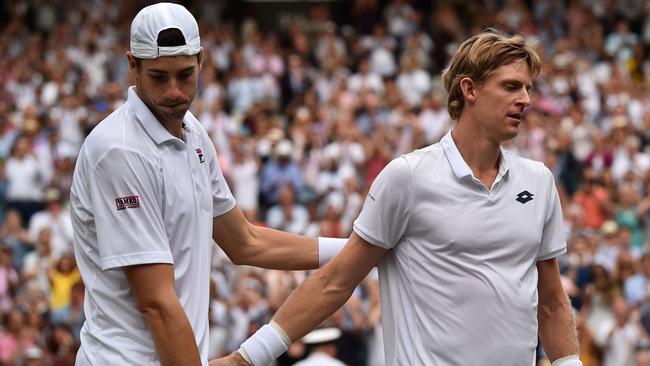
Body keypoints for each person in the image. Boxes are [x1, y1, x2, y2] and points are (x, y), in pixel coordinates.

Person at [214, 30, 583, 366]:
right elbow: (335, 282)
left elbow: (551, 302)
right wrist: (246, 359)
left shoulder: (539, 181)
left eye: (528, 89)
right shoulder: (407, 177)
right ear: (469, 90)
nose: (525, 100)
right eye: (511, 87)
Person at [70, 3, 345, 365]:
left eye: (184, 74)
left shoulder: (194, 133)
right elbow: (156, 303)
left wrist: (356, 250)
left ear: (201, 60)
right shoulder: (119, 150)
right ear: (132, 65)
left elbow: (246, 242)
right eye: (159, 76)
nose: (174, 91)